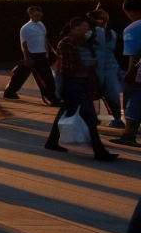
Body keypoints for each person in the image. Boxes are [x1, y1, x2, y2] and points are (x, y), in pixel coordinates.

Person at [44, 17, 120, 161]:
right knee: (90, 116)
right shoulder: (67, 42)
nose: (84, 32)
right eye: (81, 29)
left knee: (66, 111)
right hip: (73, 83)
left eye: (86, 29)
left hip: (80, 82)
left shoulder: (87, 42)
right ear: (73, 28)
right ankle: (99, 151)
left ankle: (52, 142)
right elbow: (70, 68)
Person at [4, 6, 59, 105]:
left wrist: (47, 52)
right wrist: (27, 56)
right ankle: (10, 91)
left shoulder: (41, 25)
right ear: (30, 15)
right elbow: (23, 44)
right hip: (32, 54)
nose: (38, 17)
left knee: (45, 77)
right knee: (27, 75)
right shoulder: (26, 28)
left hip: (42, 55)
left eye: (39, 14)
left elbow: (45, 39)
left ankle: (51, 97)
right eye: (35, 15)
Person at [112, 0, 141, 147]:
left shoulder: (133, 29)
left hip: (139, 75)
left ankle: (129, 134)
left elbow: (132, 55)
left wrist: (130, 74)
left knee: (134, 100)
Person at [90, 7, 124, 127]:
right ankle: (116, 119)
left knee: (95, 93)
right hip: (105, 67)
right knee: (110, 94)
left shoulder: (108, 33)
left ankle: (115, 118)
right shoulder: (108, 33)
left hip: (103, 67)